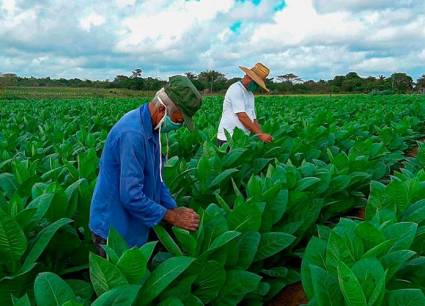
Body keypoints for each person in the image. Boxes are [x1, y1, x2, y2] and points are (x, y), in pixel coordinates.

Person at [89, 75, 202, 256]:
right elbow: (131, 195)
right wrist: (172, 217)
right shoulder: (133, 135)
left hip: (135, 221)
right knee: (119, 282)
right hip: (115, 226)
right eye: (179, 120)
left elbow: (156, 178)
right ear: (161, 109)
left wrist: (172, 208)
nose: (178, 126)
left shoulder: (151, 126)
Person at [217, 63, 273, 145]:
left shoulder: (250, 94)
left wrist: (261, 134)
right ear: (247, 76)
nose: (256, 86)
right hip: (228, 138)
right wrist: (260, 135)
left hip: (242, 139)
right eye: (255, 83)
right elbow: (242, 116)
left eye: (257, 84)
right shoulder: (236, 89)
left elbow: (253, 119)